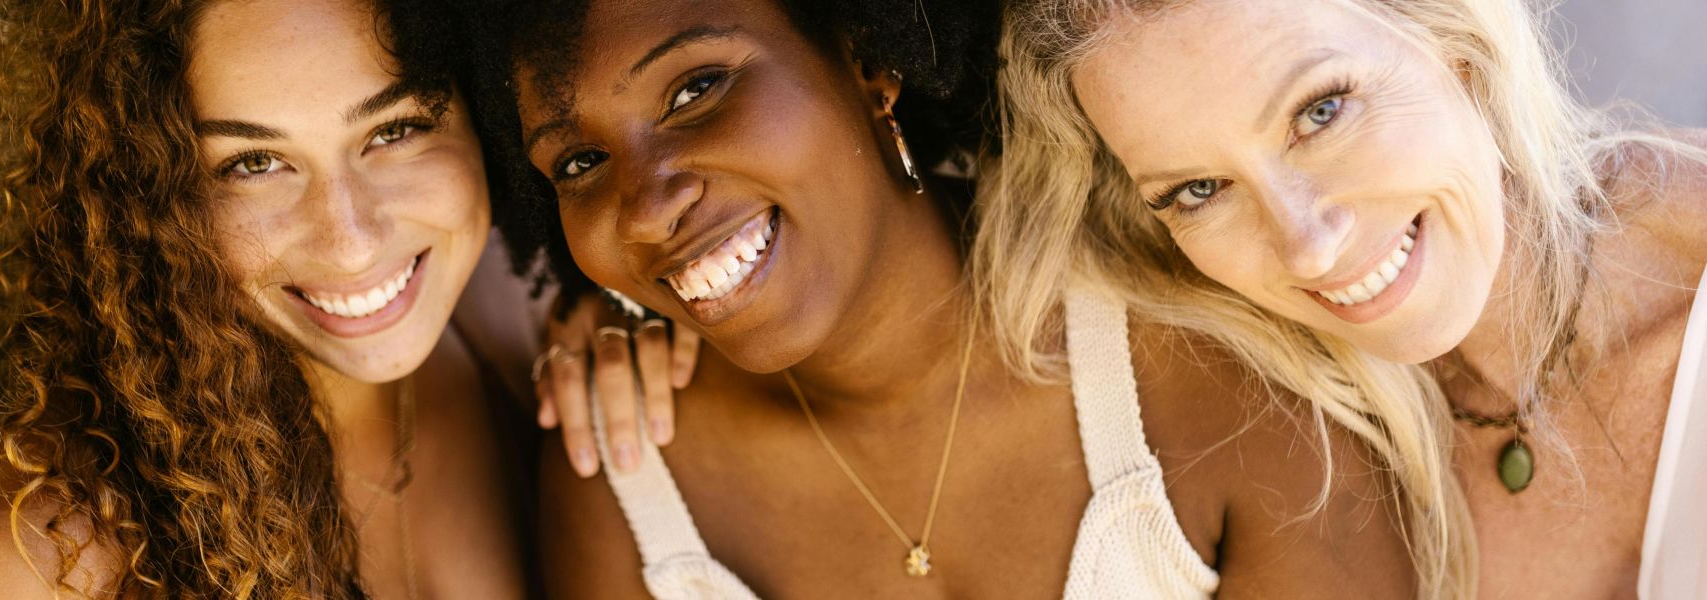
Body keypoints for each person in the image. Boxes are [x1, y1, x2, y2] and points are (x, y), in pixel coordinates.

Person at [418, 0, 1447, 596]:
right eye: (580, 161)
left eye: (697, 90)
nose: (647, 207)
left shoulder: (1202, 373)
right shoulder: (623, 477)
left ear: (869, 60)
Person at [0, 0, 671, 595]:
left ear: (486, 114)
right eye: (253, 163)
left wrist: (640, 335)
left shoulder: (520, 326)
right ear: (148, 195)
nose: (351, 240)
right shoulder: (46, 554)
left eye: (394, 130)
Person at [980, 0, 1707, 596]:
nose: (1309, 247)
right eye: (1199, 190)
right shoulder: (1279, 441)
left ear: (1450, 33)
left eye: (1321, 111)